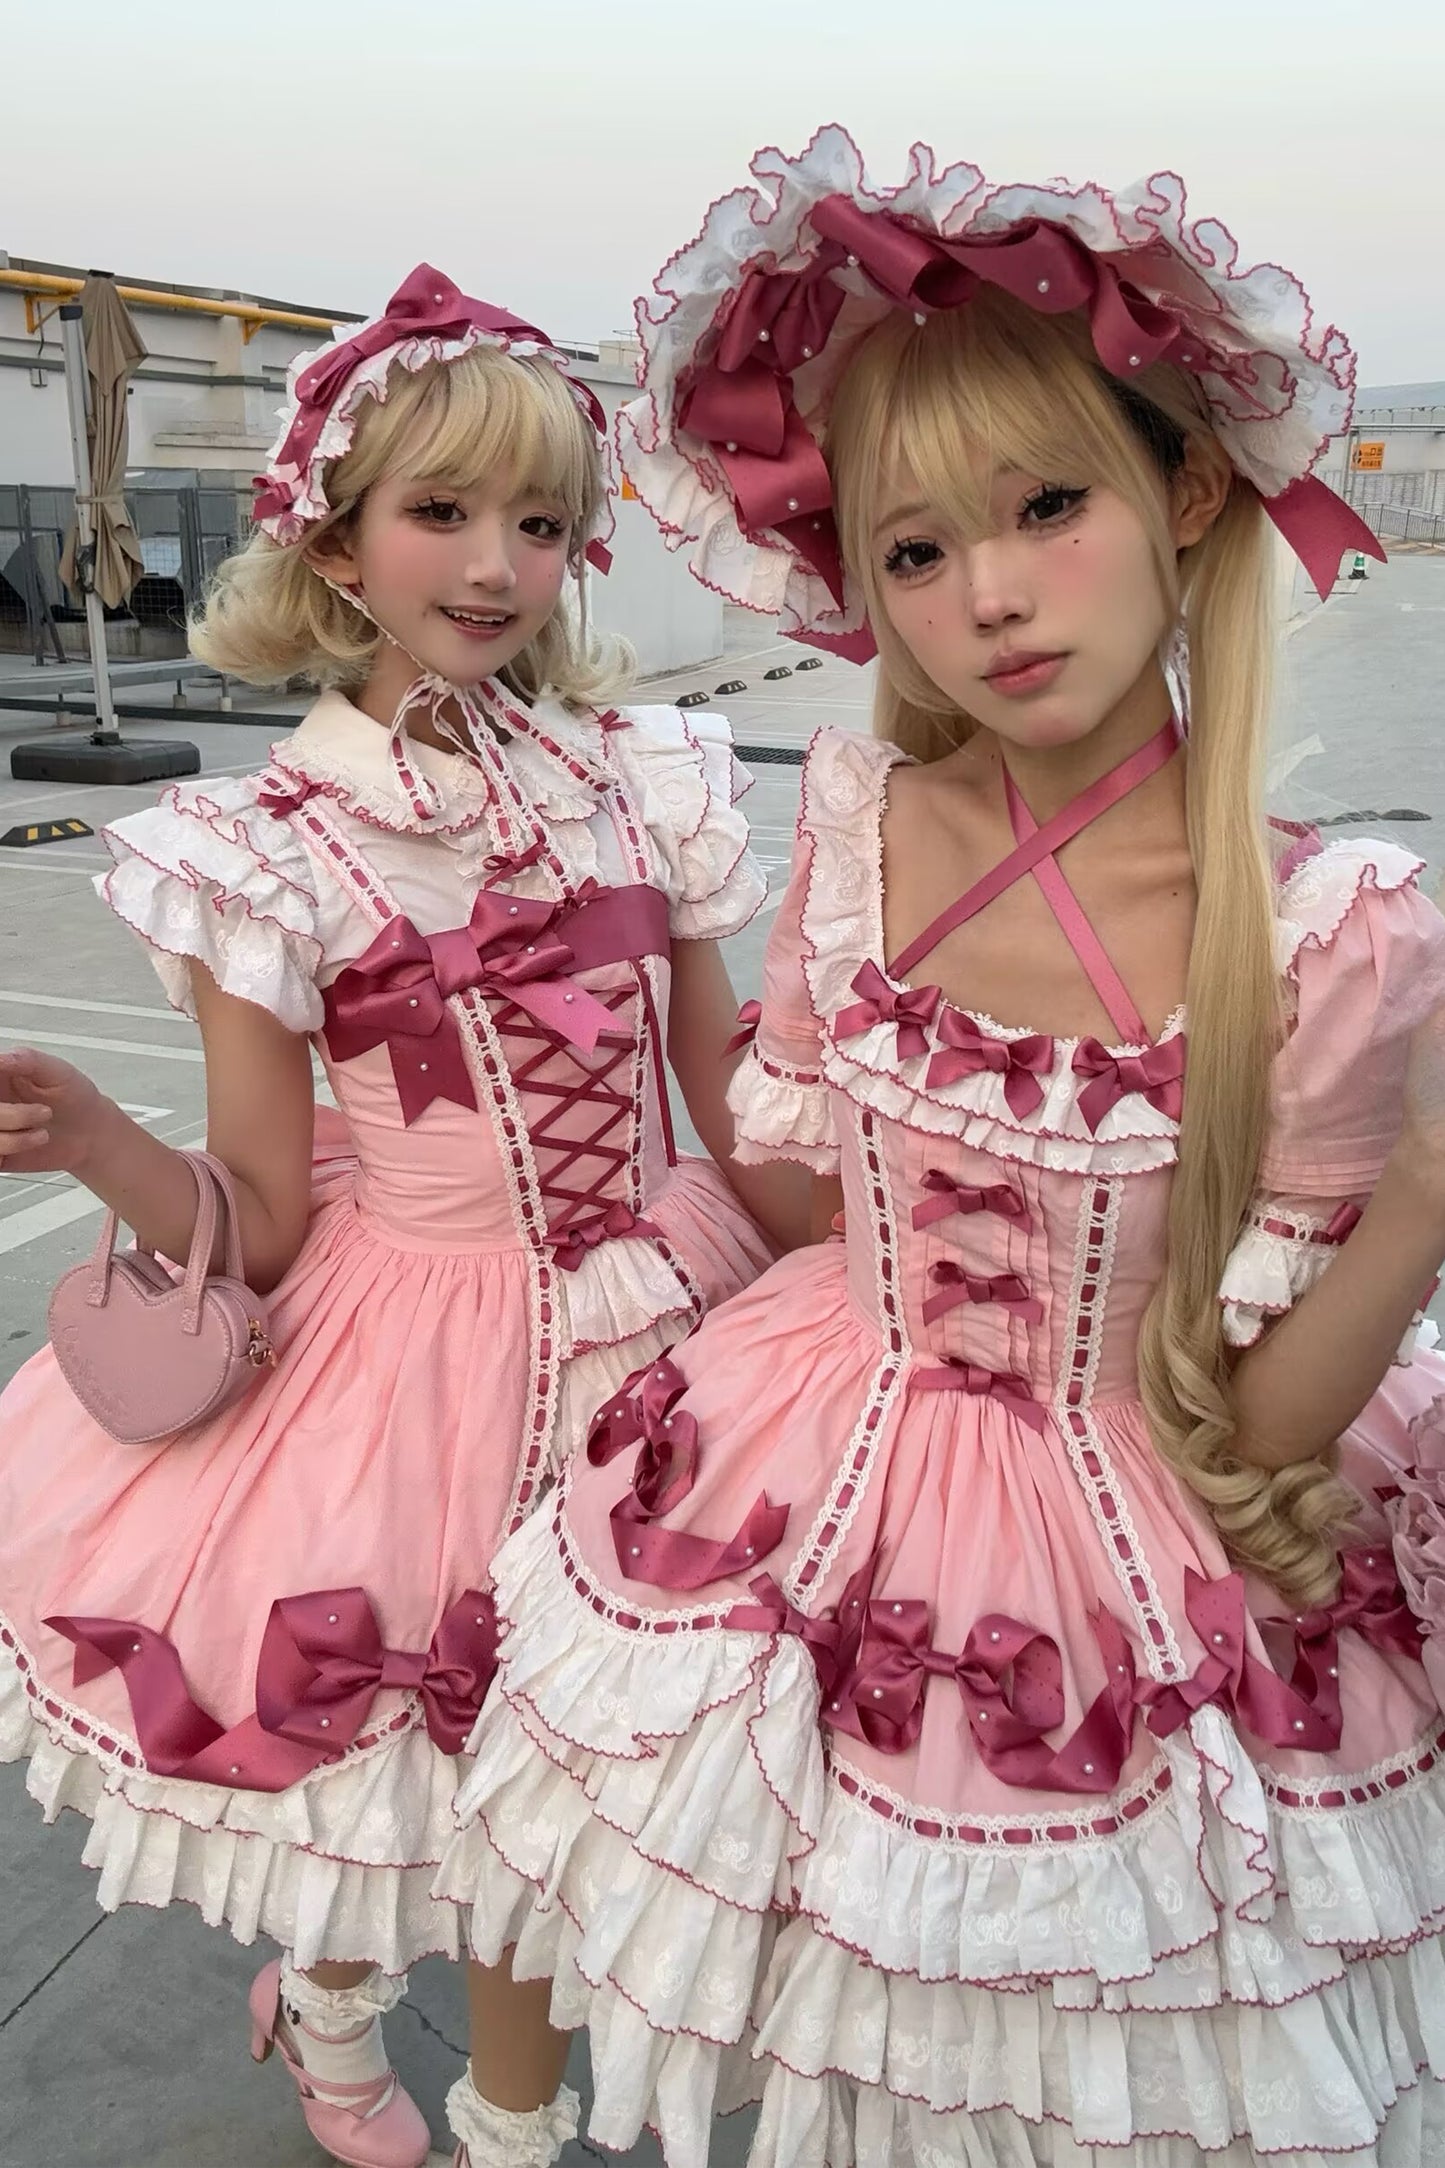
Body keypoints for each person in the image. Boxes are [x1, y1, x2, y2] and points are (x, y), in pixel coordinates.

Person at [436, 133, 1445, 2166]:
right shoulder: (857, 823)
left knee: (1053, 2057)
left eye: (1048, 505)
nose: (985, 597)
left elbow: (1259, 1426)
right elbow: (805, 1175)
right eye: (913, 551)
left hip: (1140, 1548)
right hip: (812, 1462)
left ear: (1184, 491)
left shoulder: (1325, 930)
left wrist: (1423, 1186)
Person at [0, 265, 784, 2168]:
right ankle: (349, 2029)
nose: (498, 565)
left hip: (668, 1329)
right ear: (334, 539)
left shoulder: (644, 784)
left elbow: (738, 1108)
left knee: (580, 1792)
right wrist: (95, 1135)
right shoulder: (266, 851)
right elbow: (263, 1222)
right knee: (439, 1782)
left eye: (541, 521)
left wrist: (887, 1234)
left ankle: (433, 2070)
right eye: (441, 510)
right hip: (417, 1364)